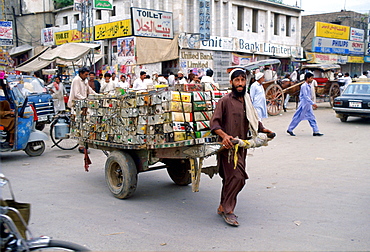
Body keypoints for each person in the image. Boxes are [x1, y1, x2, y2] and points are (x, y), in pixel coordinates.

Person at [210, 68, 274, 227]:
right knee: (238, 178)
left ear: (246, 82)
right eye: (237, 80)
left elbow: (253, 120)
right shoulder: (225, 101)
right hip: (228, 149)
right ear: (231, 82)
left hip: (242, 147)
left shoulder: (247, 99)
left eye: (242, 80)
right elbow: (215, 123)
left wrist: (263, 130)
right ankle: (228, 210)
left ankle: (222, 205)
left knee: (230, 179)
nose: (240, 84)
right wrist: (224, 136)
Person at [67, 67, 97, 153]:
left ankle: (84, 143)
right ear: (81, 73)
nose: (87, 76)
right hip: (77, 105)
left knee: (85, 124)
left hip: (83, 105)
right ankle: (81, 146)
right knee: (80, 126)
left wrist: (97, 95)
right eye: (86, 74)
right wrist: (85, 99)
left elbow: (89, 90)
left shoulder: (85, 81)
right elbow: (77, 94)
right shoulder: (76, 80)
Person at [287, 72, 323, 137]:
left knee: (312, 118)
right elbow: (306, 96)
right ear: (307, 78)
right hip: (304, 105)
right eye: (311, 78)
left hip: (308, 105)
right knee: (298, 117)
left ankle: (316, 131)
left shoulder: (308, 85)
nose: (312, 79)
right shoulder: (304, 86)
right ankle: (290, 129)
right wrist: (313, 103)